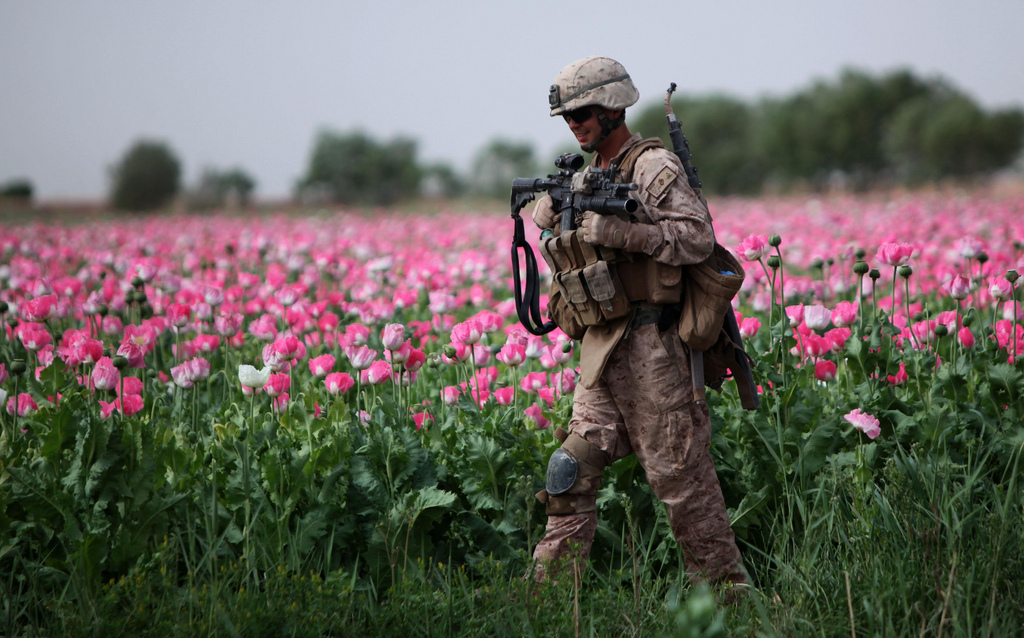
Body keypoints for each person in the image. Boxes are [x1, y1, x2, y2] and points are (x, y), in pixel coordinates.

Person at [530, 56, 747, 594]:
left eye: (583, 112)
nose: (575, 123)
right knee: (569, 470)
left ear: (614, 106)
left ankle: (731, 602)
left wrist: (627, 234)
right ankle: (553, 604)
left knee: (682, 485)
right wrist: (550, 214)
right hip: (604, 344)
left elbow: (697, 237)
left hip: (657, 347)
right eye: (568, 116)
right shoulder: (585, 174)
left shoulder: (654, 168)